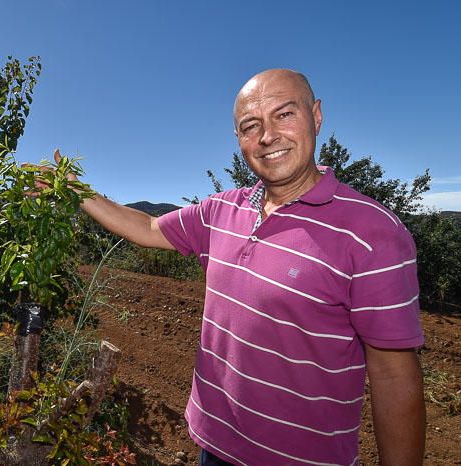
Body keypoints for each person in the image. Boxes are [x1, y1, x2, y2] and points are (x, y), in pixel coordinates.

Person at [52, 69, 425, 465]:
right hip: (213, 447)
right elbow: (147, 226)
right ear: (238, 139)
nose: (268, 136)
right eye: (251, 125)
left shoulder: (374, 233)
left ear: (316, 116)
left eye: (284, 115)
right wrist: (75, 190)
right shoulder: (221, 210)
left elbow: (394, 376)